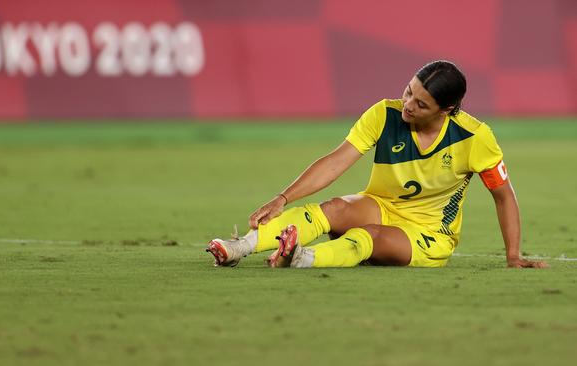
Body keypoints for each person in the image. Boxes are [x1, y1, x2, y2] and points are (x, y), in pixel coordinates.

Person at [205, 60, 547, 269]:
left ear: (447, 110)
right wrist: (282, 197)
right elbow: (337, 161)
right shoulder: (384, 113)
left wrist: (513, 255)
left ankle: (303, 258)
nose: (408, 105)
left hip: (427, 235)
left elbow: (504, 196)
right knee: (335, 207)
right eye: (408, 91)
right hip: (380, 206)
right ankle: (240, 247)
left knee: (368, 236)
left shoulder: (474, 138)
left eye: (421, 104)